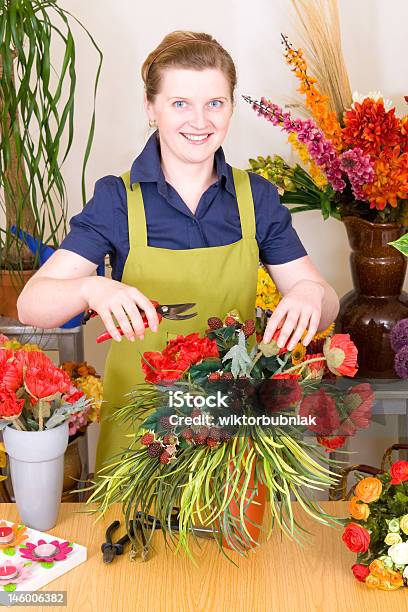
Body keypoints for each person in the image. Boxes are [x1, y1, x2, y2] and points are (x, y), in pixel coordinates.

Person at [17, 30, 339, 475]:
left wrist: (309, 293)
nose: (200, 120)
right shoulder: (117, 200)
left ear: (230, 106)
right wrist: (93, 288)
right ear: (151, 109)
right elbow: (32, 305)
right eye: (180, 103)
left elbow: (325, 301)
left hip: (230, 431)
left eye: (215, 103)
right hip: (140, 434)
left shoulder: (255, 198)